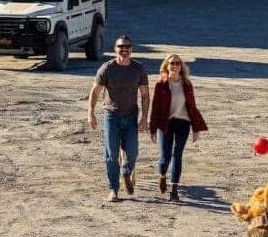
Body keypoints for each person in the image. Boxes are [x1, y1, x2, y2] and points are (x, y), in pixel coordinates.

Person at [88, 34, 150, 202]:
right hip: (111, 117)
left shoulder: (138, 69)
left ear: (131, 49)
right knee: (111, 154)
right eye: (120, 46)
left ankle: (126, 172)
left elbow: (145, 95)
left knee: (133, 152)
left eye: (127, 46)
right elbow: (95, 91)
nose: (124, 49)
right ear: (115, 49)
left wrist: (145, 117)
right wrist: (90, 113)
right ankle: (113, 189)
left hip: (130, 117)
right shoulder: (107, 68)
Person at [149, 53, 208, 202]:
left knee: (177, 155)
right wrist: (153, 128)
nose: (174, 65)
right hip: (166, 123)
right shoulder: (160, 84)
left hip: (183, 123)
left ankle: (174, 190)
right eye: (172, 63)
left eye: (177, 63)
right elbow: (155, 107)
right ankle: (162, 176)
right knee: (165, 157)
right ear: (166, 66)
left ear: (181, 67)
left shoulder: (187, 84)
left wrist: (196, 128)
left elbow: (192, 107)